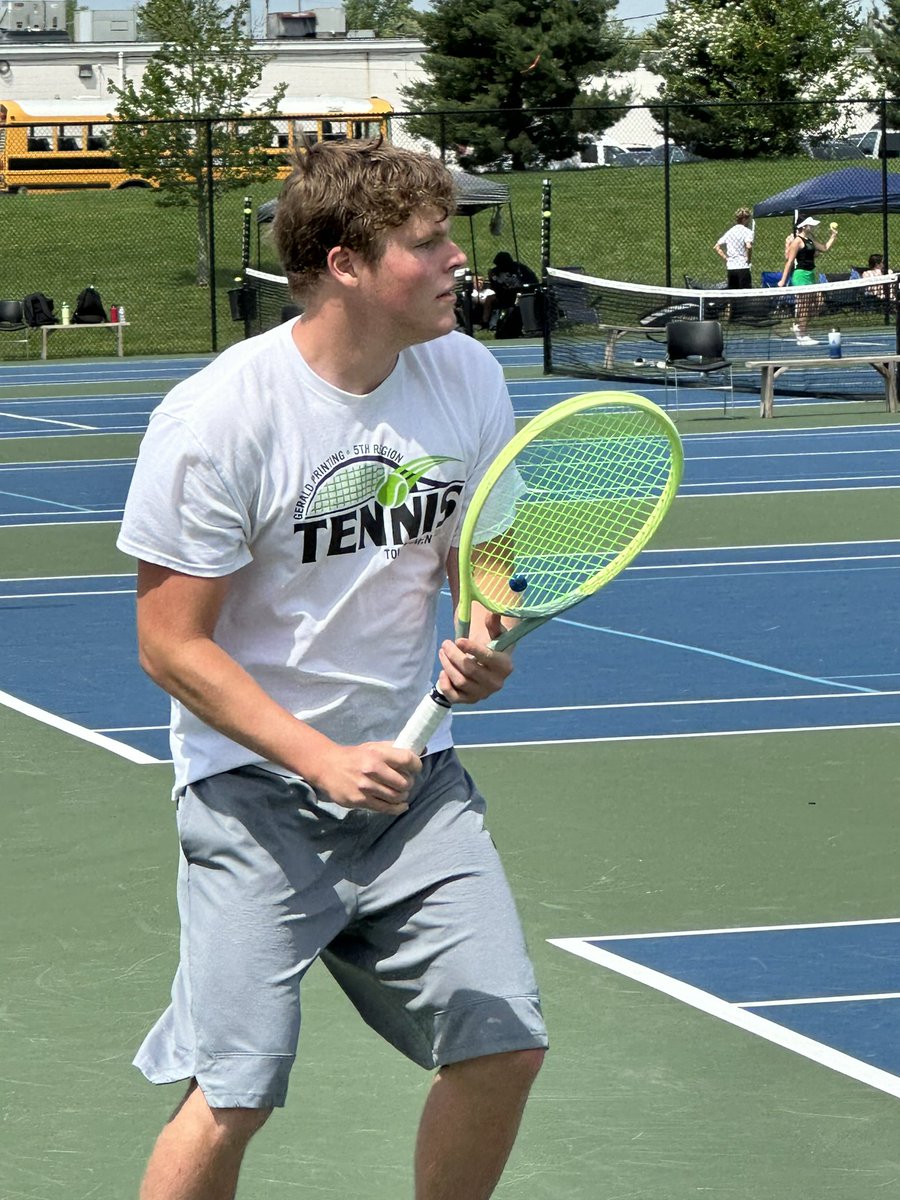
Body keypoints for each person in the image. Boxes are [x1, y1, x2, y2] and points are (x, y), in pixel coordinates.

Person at [117, 139, 547, 1200]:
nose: (457, 259)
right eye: (428, 242)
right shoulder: (219, 420)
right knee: (233, 1092)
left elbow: (482, 556)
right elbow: (170, 643)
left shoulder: (469, 374)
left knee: (503, 1044)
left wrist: (487, 629)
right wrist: (318, 758)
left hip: (415, 793)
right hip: (256, 797)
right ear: (346, 262)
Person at [778, 216, 837, 345]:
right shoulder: (796, 242)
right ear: (804, 226)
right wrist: (783, 280)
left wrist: (833, 236)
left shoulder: (809, 239)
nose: (813, 226)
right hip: (800, 276)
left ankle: (799, 327)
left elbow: (824, 248)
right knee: (804, 306)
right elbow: (789, 262)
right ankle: (802, 335)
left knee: (819, 303)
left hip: (810, 275)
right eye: (810, 224)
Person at [481, 251, 539, 330]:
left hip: (519, 294)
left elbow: (531, 282)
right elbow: (496, 288)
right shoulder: (495, 273)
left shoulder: (519, 269)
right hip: (503, 295)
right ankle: (485, 323)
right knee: (489, 298)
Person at [713, 206, 754, 289]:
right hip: (743, 267)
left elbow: (717, 246)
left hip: (731, 268)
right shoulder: (748, 232)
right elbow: (748, 246)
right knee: (745, 294)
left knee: (733, 294)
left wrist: (726, 258)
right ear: (744, 219)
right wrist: (748, 259)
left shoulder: (730, 232)